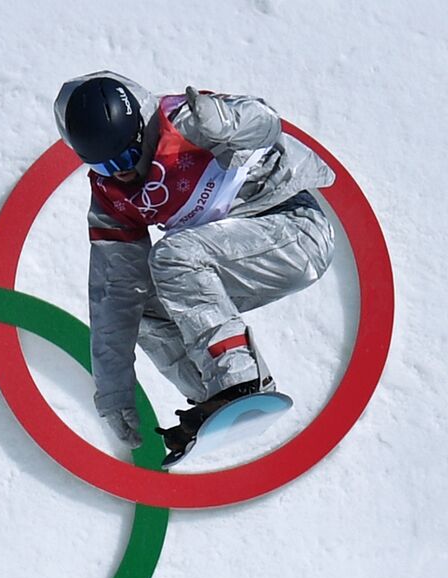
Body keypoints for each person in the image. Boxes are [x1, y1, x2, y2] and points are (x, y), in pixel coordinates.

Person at [52, 71, 337, 466]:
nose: (121, 172)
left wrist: (227, 123)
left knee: (173, 256)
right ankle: (215, 395)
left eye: (126, 157)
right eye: (103, 166)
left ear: (139, 132)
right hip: (227, 255)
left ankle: (237, 378)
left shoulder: (186, 121)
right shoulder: (111, 199)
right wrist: (113, 391)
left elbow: (267, 124)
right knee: (144, 307)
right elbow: (114, 294)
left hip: (293, 228)